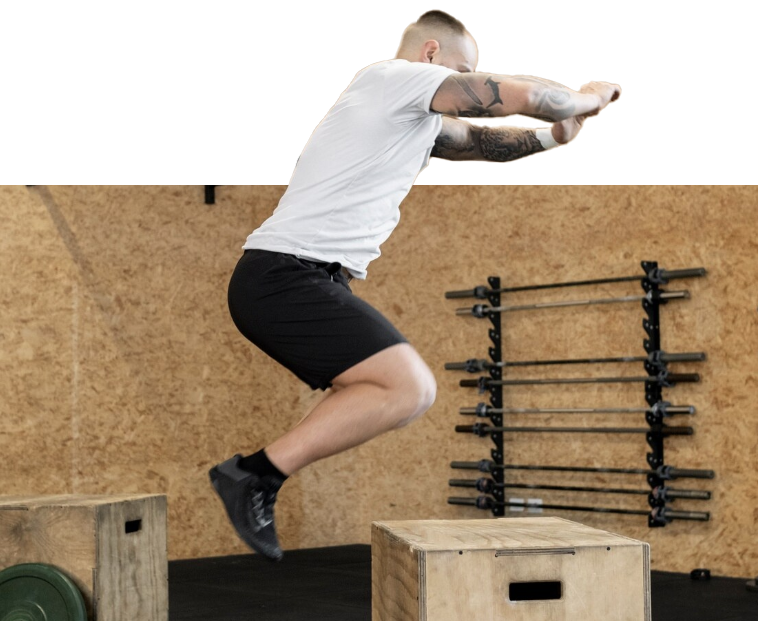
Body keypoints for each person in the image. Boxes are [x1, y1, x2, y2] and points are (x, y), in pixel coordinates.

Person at [209, 10, 621, 560]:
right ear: (431, 55)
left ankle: (255, 474)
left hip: (297, 278)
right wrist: (586, 97)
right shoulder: (390, 79)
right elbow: (509, 95)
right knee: (409, 388)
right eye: (463, 69)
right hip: (283, 274)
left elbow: (481, 142)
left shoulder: (410, 119)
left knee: (396, 391)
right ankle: (253, 475)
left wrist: (554, 137)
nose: (469, 80)